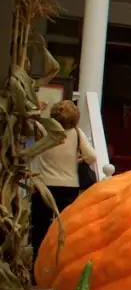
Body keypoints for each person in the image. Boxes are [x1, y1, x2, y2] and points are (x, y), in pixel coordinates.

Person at [30, 100, 96, 279]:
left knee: (40, 229)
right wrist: (79, 160)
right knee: (65, 229)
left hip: (43, 185)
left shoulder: (44, 130)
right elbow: (92, 157)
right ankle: (61, 269)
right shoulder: (77, 133)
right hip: (69, 186)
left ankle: (36, 271)